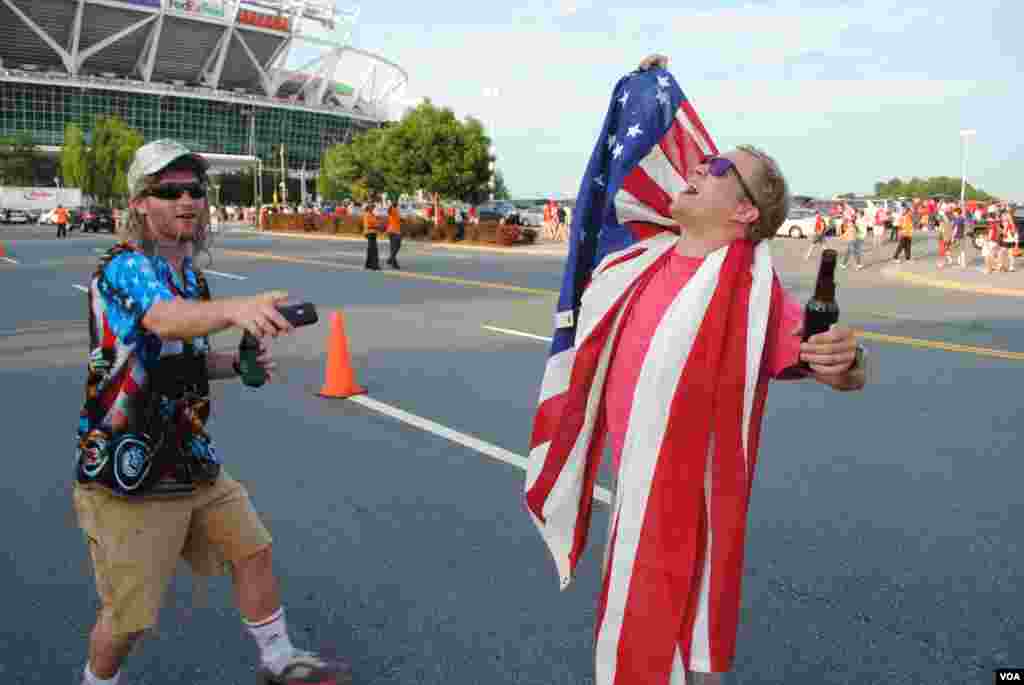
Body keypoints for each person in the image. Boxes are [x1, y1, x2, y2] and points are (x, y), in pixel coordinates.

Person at [525, 54, 867, 685]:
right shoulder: (634, 263)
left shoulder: (753, 293)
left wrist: (847, 361)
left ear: (744, 213)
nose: (694, 169)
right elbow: (610, 183)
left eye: (715, 168)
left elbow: (833, 366)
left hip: (692, 508)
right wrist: (647, 91)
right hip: (633, 490)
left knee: (673, 644)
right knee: (637, 628)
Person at [71, 140, 350, 685]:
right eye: (168, 191)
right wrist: (236, 309)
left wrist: (235, 363)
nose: (186, 201)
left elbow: (180, 355)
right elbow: (167, 321)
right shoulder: (126, 267)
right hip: (130, 470)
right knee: (128, 620)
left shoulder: (191, 280)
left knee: (253, 549)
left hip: (191, 456)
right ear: (140, 204)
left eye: (195, 190)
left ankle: (278, 660)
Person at [363, 201, 380, 270]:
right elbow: (369, 225)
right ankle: (374, 266)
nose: (373, 208)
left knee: (370, 249)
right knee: (374, 250)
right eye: (372, 207)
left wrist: (377, 224)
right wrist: (376, 226)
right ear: (369, 208)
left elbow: (375, 222)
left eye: (373, 207)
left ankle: (368, 264)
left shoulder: (371, 214)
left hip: (372, 233)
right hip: (370, 233)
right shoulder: (368, 215)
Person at [386, 201, 402, 268]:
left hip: (396, 231)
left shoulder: (397, 210)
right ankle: (391, 259)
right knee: (397, 245)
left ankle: (392, 261)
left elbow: (397, 219)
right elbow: (389, 211)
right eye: (395, 202)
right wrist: (391, 205)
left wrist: (402, 220)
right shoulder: (392, 209)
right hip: (393, 231)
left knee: (394, 247)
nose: (396, 203)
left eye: (396, 202)